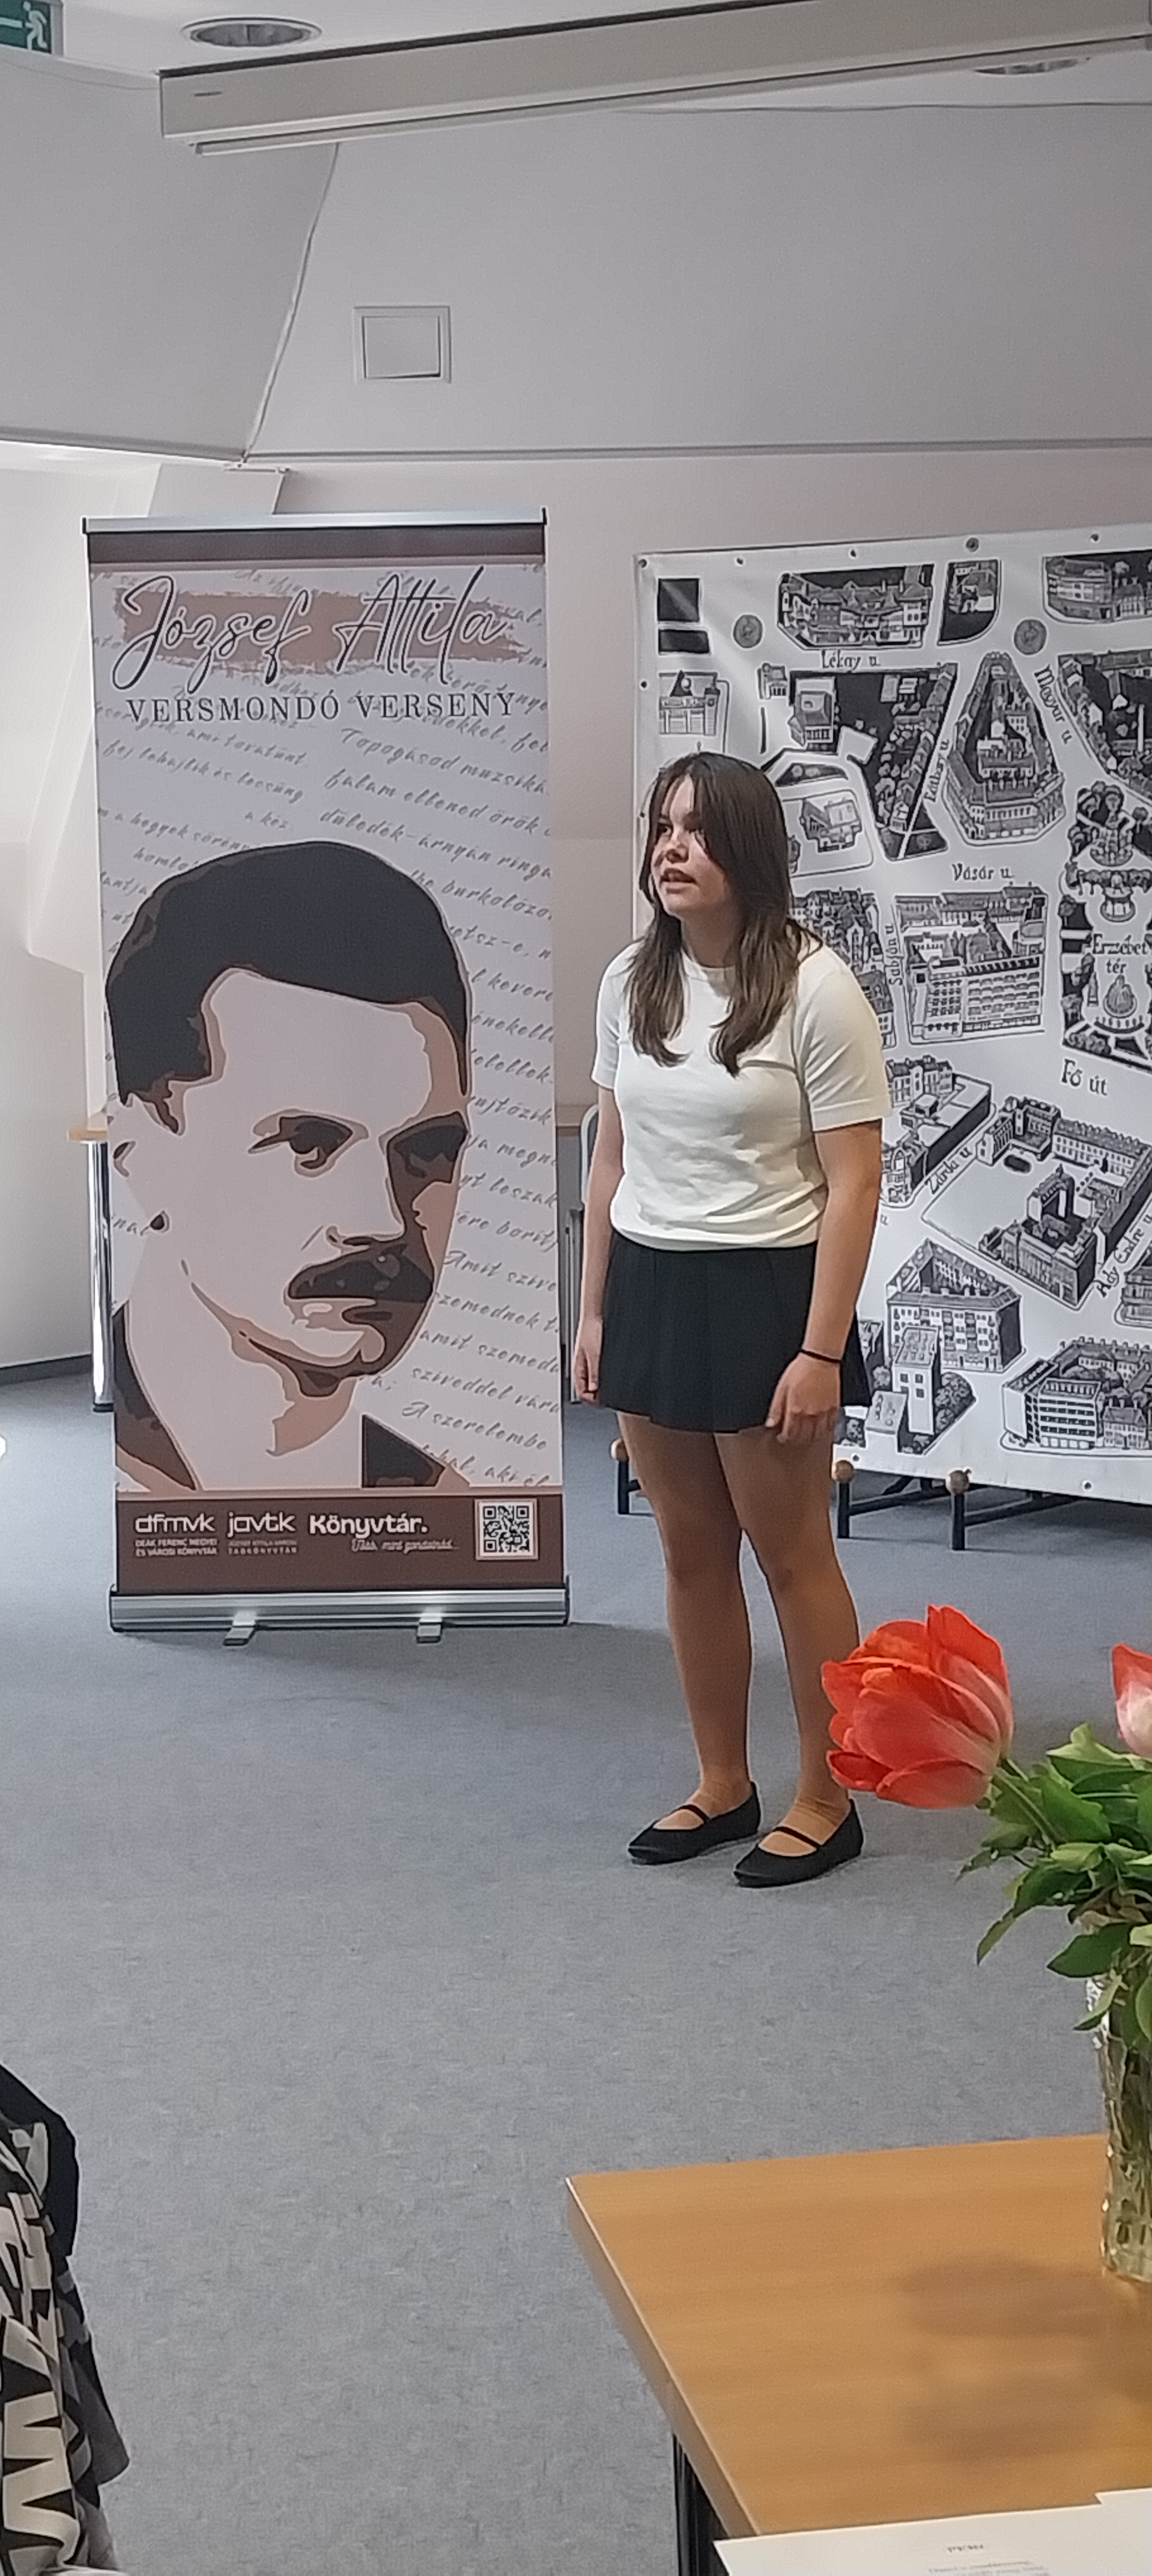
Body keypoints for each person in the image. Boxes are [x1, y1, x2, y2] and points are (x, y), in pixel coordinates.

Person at [574, 753, 890, 1886]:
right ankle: (722, 1782)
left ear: (748, 852)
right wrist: (593, 1310)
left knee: (791, 1555)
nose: (672, 849)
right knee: (687, 1548)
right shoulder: (630, 980)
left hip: (768, 1293)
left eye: (699, 832)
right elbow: (610, 1158)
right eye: (662, 827)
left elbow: (853, 1185)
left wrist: (818, 1350)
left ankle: (828, 1797)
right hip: (653, 1286)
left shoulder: (818, 989)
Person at [105, 840, 471, 1496]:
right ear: (141, 1150)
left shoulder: (443, 1501)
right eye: (309, 1145)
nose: (383, 1222)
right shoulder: (122, 1492)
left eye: (427, 1153)